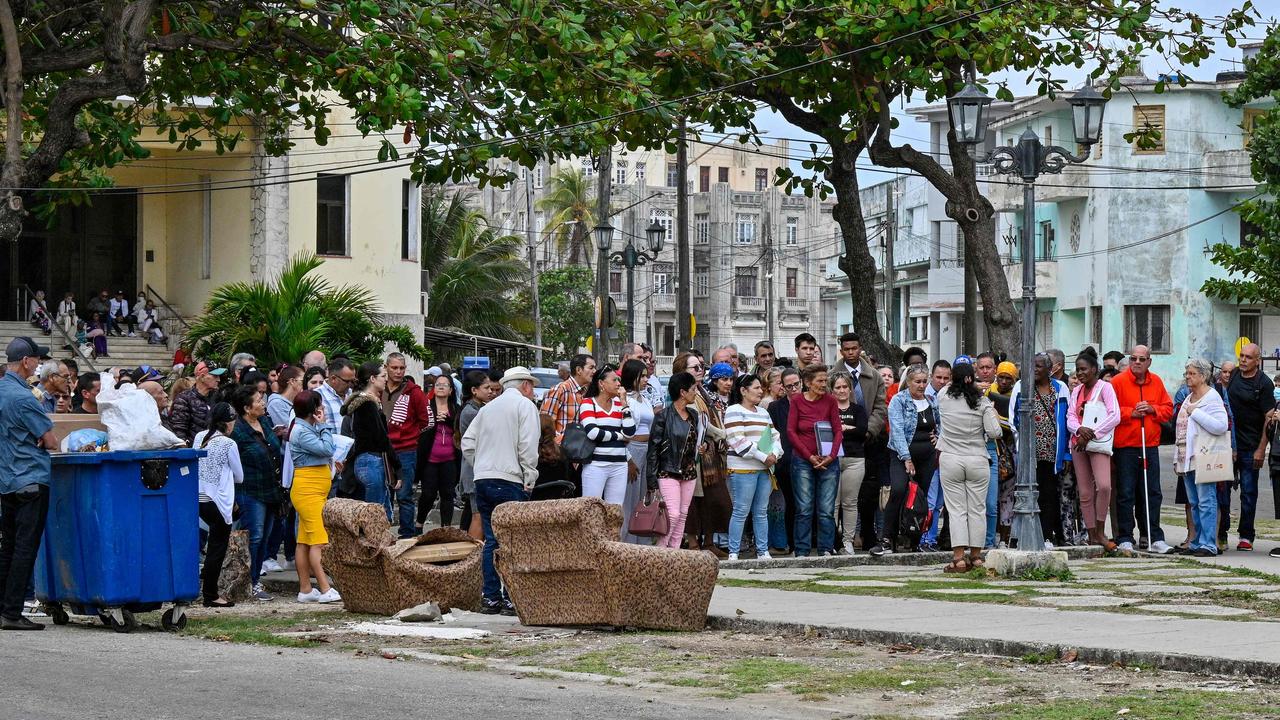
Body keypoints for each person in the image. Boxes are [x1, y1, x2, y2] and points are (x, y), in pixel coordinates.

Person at [461, 366, 541, 616]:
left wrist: (482, 464)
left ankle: (491, 597)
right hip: (510, 479)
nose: (533, 391)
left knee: (492, 540)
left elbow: (467, 443)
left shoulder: (488, 408)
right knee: (512, 541)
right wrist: (529, 475)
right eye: (532, 386)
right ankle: (510, 598)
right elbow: (528, 445)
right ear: (525, 385)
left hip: (484, 479)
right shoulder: (525, 406)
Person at [0, 337, 57, 630]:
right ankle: (11, 612)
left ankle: (4, 608)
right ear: (26, 361)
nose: (40, 364)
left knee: (8, 547)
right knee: (25, 548)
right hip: (31, 479)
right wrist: (41, 437)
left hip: (7, 480)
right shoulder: (25, 398)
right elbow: (51, 440)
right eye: (38, 359)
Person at [1109, 344, 1175, 554]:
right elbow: (1110, 411)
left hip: (1150, 445)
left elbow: (1168, 409)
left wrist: (1152, 409)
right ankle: (1125, 537)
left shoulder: (1156, 381)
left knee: (1152, 492)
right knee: (1126, 492)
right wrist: (1131, 413)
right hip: (1126, 446)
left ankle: (1155, 536)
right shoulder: (1118, 382)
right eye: (1133, 359)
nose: (1137, 362)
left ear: (1149, 362)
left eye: (1141, 359)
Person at [935, 362, 1002, 571]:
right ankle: (976, 556)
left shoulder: (944, 397)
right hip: (977, 458)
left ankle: (958, 558)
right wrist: (983, 397)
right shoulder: (982, 402)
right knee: (977, 509)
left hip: (951, 458)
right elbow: (995, 432)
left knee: (956, 510)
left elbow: (947, 387)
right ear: (972, 378)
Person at [874, 364, 939, 557]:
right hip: (901, 454)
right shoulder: (898, 400)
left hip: (927, 455)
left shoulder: (932, 401)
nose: (921, 385)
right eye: (917, 382)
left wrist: (939, 438)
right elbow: (897, 431)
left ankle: (915, 539)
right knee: (899, 491)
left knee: (921, 496)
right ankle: (886, 538)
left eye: (924, 381)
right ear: (908, 382)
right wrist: (906, 458)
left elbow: (940, 424)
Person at [229, 385, 284, 601]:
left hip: (271, 488)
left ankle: (255, 579)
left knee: (264, 537)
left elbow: (273, 449)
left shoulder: (264, 422)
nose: (263, 403)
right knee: (254, 536)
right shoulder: (237, 430)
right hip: (249, 490)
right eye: (258, 400)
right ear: (246, 407)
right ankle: (246, 582)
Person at [1011, 353, 1072, 547]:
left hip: (1052, 453)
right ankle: (1022, 536)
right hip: (1030, 453)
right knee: (1025, 494)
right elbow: (1013, 419)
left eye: (1038, 366)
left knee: (1049, 494)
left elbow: (1067, 420)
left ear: (1049, 369)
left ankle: (1046, 535)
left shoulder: (1060, 388)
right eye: (1032, 366)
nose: (1034, 369)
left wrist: (1066, 453)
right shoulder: (1022, 386)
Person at [287, 390, 340, 603]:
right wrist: (325, 425)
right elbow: (327, 449)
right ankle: (325, 588)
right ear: (313, 410)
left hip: (313, 488)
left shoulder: (306, 428)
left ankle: (306, 589)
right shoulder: (302, 431)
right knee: (319, 540)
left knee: (305, 541)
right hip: (308, 491)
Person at [1067, 348, 1121, 551]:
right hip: (1078, 443)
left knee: (1104, 486)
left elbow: (1114, 415)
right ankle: (1091, 533)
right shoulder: (1076, 391)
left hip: (1097, 443)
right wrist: (1079, 429)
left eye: (1084, 369)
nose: (1080, 374)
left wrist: (1092, 433)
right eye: (1077, 370)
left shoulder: (1104, 388)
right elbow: (1071, 416)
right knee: (1085, 492)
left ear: (1095, 370)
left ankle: (1100, 529)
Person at [787, 364, 842, 557]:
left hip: (828, 461)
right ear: (808, 383)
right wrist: (809, 456)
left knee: (826, 509)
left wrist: (831, 456)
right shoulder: (797, 402)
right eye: (819, 380)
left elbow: (838, 430)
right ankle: (801, 550)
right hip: (803, 461)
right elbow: (791, 432)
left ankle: (826, 548)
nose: (824, 384)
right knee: (804, 508)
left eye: (825, 380)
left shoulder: (830, 401)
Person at [724, 374, 781, 560]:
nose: (760, 391)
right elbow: (737, 440)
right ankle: (733, 551)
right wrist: (764, 457)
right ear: (743, 390)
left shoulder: (764, 412)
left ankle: (762, 550)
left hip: (764, 469)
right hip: (742, 468)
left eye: (760, 388)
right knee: (741, 510)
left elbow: (775, 435)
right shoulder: (733, 410)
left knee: (761, 511)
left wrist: (775, 453)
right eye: (756, 388)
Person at [1177, 358, 1230, 557]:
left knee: (1207, 500)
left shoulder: (1212, 398)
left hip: (1204, 456)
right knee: (1194, 502)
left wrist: (1196, 412)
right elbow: (1181, 428)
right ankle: (1197, 541)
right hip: (1187, 457)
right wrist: (1177, 457)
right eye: (1187, 373)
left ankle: (1208, 543)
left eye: (1191, 373)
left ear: (1203, 376)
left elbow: (1221, 425)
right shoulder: (1187, 397)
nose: (1188, 377)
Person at [646, 372, 704, 550]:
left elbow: (698, 439)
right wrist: (652, 479)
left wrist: (703, 447)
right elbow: (653, 449)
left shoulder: (694, 414)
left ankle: (675, 552)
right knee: (673, 514)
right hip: (668, 471)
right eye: (693, 389)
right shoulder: (663, 416)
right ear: (682, 392)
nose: (696, 392)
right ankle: (662, 550)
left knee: (683, 514)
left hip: (689, 471)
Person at [194, 403, 242, 608]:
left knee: (206, 544)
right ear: (228, 422)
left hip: (197, 496)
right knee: (217, 547)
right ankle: (211, 594)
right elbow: (239, 477)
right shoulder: (229, 444)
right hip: (217, 500)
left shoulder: (200, 437)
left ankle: (201, 587)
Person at [1225, 343, 1272, 552]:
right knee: (1222, 490)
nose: (1243, 360)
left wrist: (1261, 448)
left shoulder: (1264, 383)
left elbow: (1269, 418)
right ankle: (1220, 533)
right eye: (1241, 356)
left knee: (1249, 492)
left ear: (1257, 361)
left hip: (1251, 446)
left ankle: (1246, 535)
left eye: (1248, 357)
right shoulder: (1234, 375)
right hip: (1228, 445)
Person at [341, 362, 399, 517]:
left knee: (379, 511)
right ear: (372, 379)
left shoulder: (367, 402)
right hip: (371, 460)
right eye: (383, 376)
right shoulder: (367, 404)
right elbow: (381, 437)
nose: (386, 380)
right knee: (375, 515)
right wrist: (397, 466)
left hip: (366, 460)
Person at [383, 353, 429, 539]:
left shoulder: (414, 392)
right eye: (394, 367)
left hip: (406, 449)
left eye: (402, 368)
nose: (398, 372)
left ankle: (407, 536)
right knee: (383, 495)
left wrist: (409, 434)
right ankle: (381, 535)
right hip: (382, 449)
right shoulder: (378, 388)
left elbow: (425, 420)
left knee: (404, 495)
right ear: (386, 367)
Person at [579, 364, 636, 505]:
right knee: (591, 509)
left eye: (619, 380)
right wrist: (619, 436)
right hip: (596, 465)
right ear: (601, 383)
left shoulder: (619, 404)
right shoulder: (588, 403)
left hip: (619, 465)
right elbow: (593, 433)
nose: (619, 384)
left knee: (615, 511)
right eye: (614, 380)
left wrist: (624, 404)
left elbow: (630, 432)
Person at [829, 371, 869, 556]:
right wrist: (845, 429)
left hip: (855, 459)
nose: (842, 390)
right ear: (832, 390)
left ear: (851, 389)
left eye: (845, 386)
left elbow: (862, 432)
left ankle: (848, 541)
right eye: (838, 387)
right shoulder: (828, 409)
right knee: (832, 503)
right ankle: (831, 541)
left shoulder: (858, 409)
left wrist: (842, 429)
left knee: (850, 502)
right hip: (833, 458)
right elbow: (826, 431)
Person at [457, 369, 500, 536]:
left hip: (477, 469)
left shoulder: (479, 408)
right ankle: (474, 556)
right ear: (474, 390)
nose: (491, 392)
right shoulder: (471, 412)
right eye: (486, 388)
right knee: (478, 516)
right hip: (473, 470)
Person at [416, 373, 460, 531]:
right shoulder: (426, 406)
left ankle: (446, 529)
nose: (441, 387)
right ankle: (419, 524)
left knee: (448, 495)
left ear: (451, 390)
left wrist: (448, 421)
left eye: (445, 385)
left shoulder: (456, 408)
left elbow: (460, 430)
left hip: (450, 459)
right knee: (428, 494)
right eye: (438, 384)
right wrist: (434, 419)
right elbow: (420, 429)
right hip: (430, 459)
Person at [767, 367, 802, 555]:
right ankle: (792, 543)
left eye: (796, 384)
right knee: (790, 504)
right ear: (783, 387)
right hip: (785, 462)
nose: (793, 389)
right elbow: (772, 435)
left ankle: (808, 542)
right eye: (789, 386)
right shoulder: (775, 407)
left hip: (807, 460)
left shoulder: (810, 403)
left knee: (806, 504)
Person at [621, 359, 655, 543]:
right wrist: (629, 460)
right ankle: (625, 542)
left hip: (646, 449)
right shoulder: (625, 400)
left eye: (646, 376)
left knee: (642, 500)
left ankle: (641, 543)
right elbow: (623, 432)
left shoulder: (645, 399)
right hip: (632, 449)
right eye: (641, 376)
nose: (645, 379)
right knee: (629, 500)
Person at [541, 353, 595, 442]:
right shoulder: (561, 389)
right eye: (591, 368)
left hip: (580, 450)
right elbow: (546, 422)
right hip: (561, 450)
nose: (594, 371)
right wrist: (560, 441)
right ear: (578, 370)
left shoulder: (586, 392)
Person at [171, 362, 224, 444]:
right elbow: (179, 429)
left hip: (215, 447)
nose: (218, 379)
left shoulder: (218, 397)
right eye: (215, 376)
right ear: (202, 377)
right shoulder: (184, 399)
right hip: (193, 450)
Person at [319, 359, 355, 433]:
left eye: (353, 381)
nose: (350, 384)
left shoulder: (353, 395)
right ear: (333, 378)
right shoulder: (317, 396)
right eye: (347, 381)